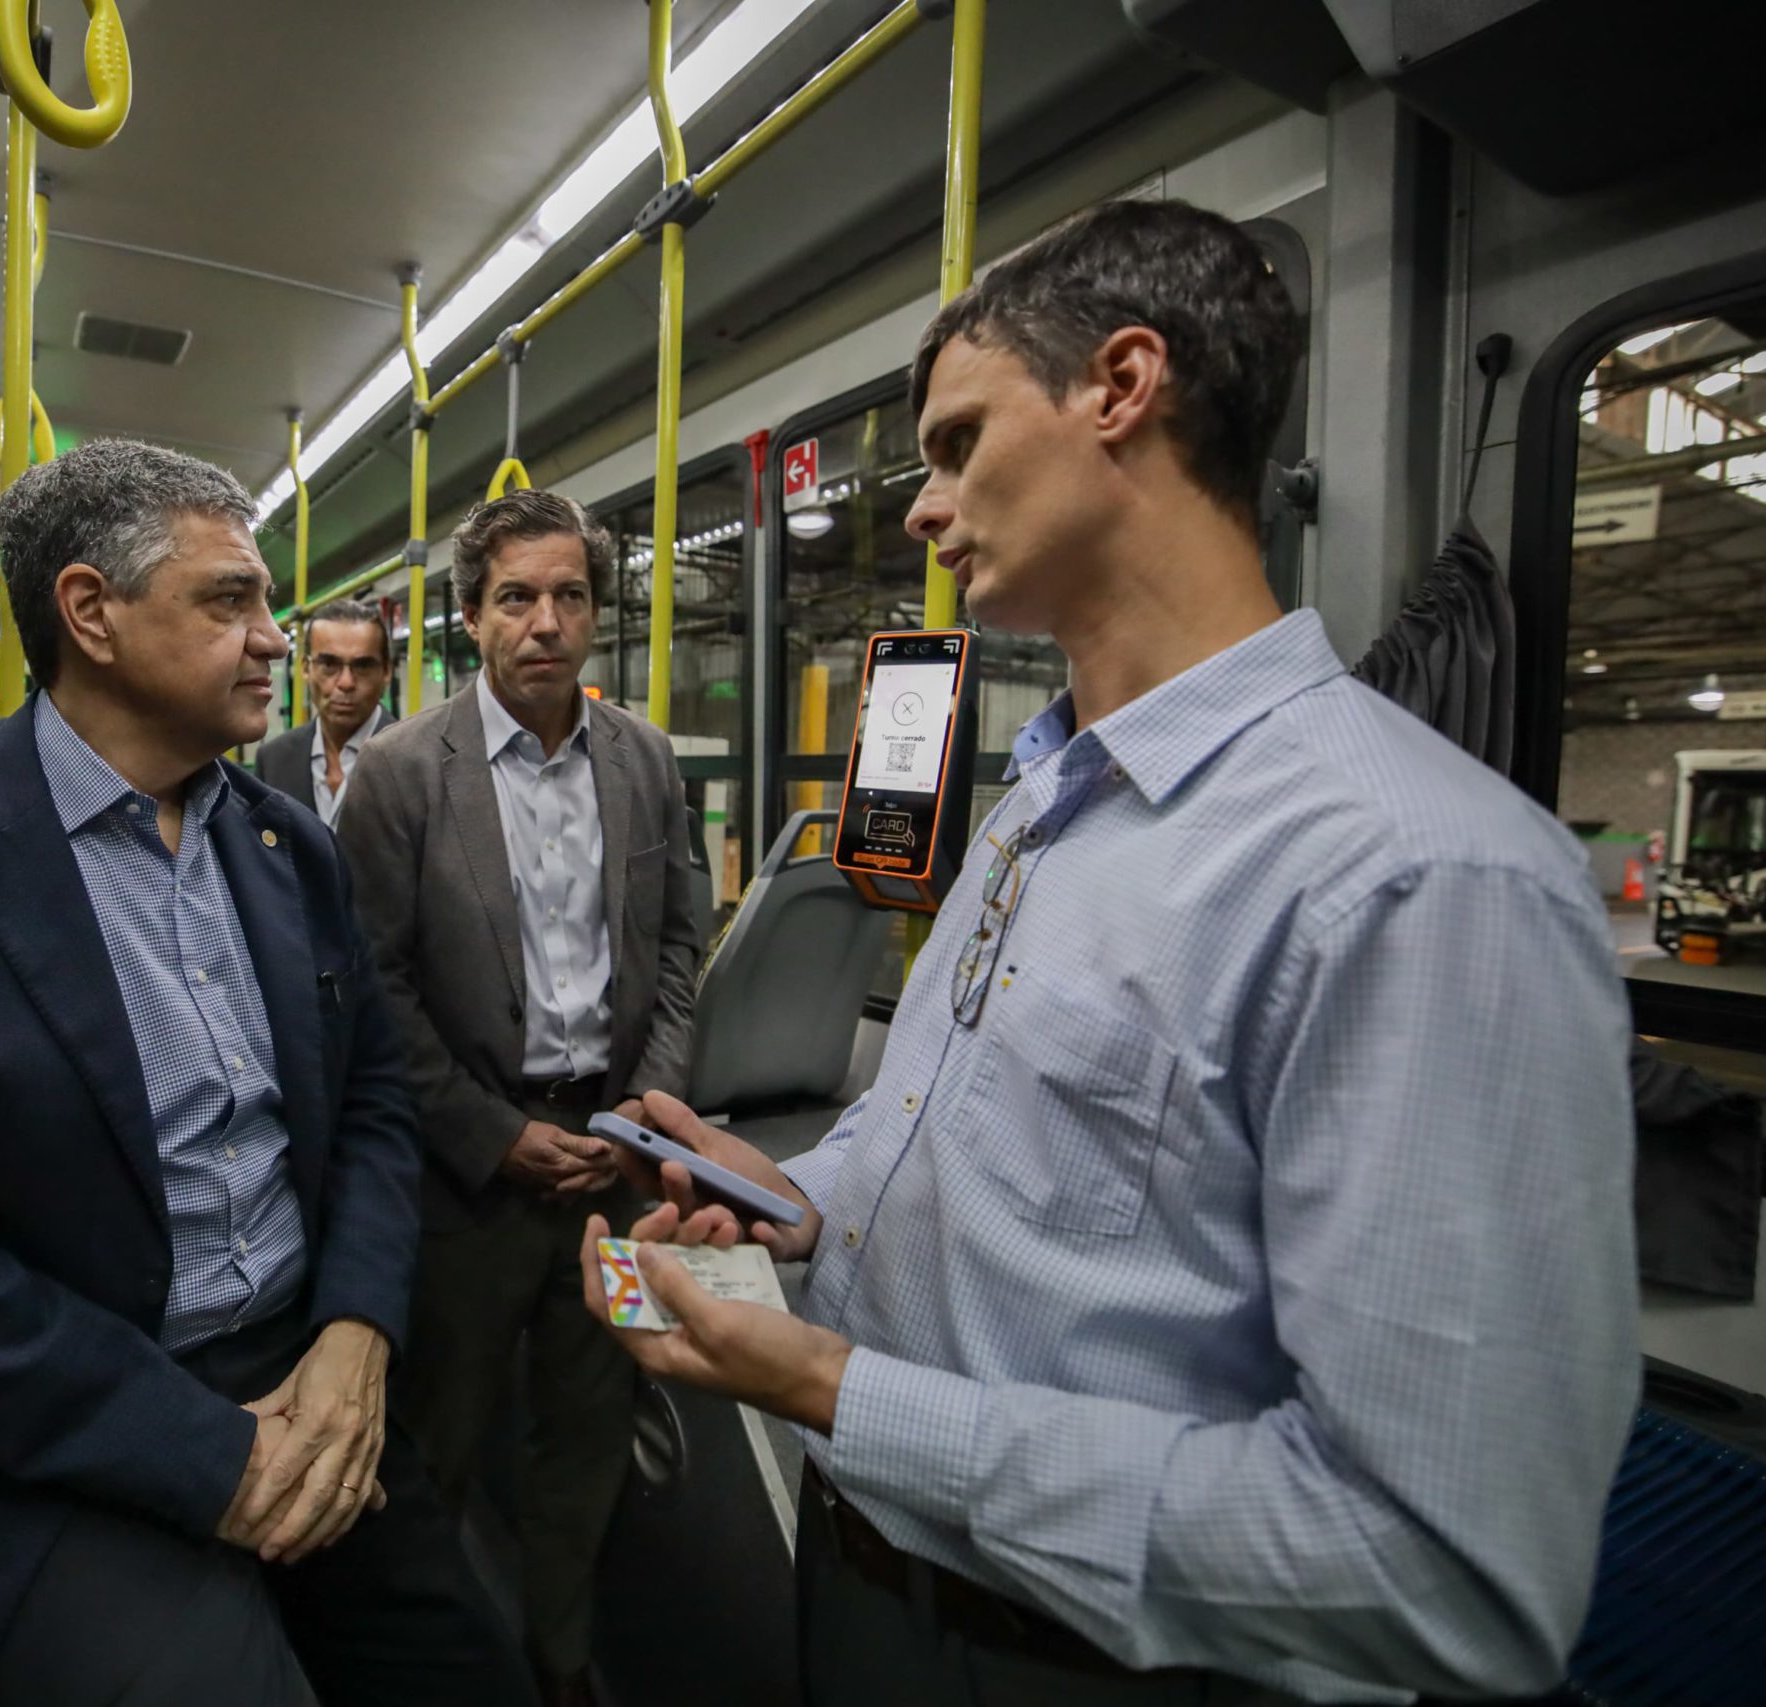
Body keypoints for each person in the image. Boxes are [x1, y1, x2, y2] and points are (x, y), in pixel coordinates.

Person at [578, 199, 1638, 1706]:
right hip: (865, 1577)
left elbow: (1436, 1566)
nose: (928, 508)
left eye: (956, 443)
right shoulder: (1041, 809)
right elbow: (954, 1146)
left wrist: (838, 1390)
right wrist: (791, 1201)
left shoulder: (1414, 873)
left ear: (1121, 387)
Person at [0, 438, 527, 1707]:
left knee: (464, 1673)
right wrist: (207, 1457)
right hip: (35, 1420)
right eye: (231, 601)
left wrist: (354, 1330)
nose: (275, 639)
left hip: (295, 1361)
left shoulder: (286, 847)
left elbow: (374, 1108)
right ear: (90, 614)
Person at [334, 489, 703, 1707]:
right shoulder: (398, 777)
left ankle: (559, 1659)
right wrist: (495, 1138)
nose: (545, 622)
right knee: (436, 1439)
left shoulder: (645, 759)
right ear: (469, 618)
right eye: (516, 598)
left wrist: (641, 1114)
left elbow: (681, 953)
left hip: (612, 1158)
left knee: (585, 1439)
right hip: (471, 1176)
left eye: (570, 596)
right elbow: (374, 989)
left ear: (597, 612)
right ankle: (430, 1671)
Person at [256, 597, 394, 825]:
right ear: (306, 668)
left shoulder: (418, 761)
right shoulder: (274, 761)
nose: (346, 683)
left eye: (362, 666)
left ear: (387, 671)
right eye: (329, 665)